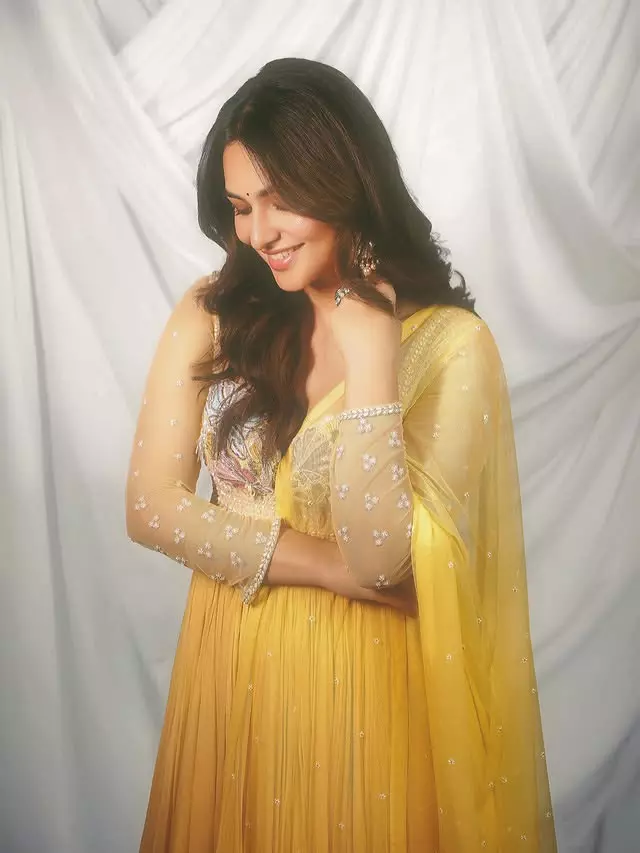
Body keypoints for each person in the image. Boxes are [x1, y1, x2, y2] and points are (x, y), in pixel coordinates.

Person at [126, 57, 557, 852]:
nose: (259, 234)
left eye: (280, 200)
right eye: (240, 207)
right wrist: (320, 564)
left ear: (345, 182)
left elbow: (381, 557)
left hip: (363, 689)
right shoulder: (214, 311)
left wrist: (372, 361)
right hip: (227, 665)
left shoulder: (452, 346)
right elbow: (151, 507)